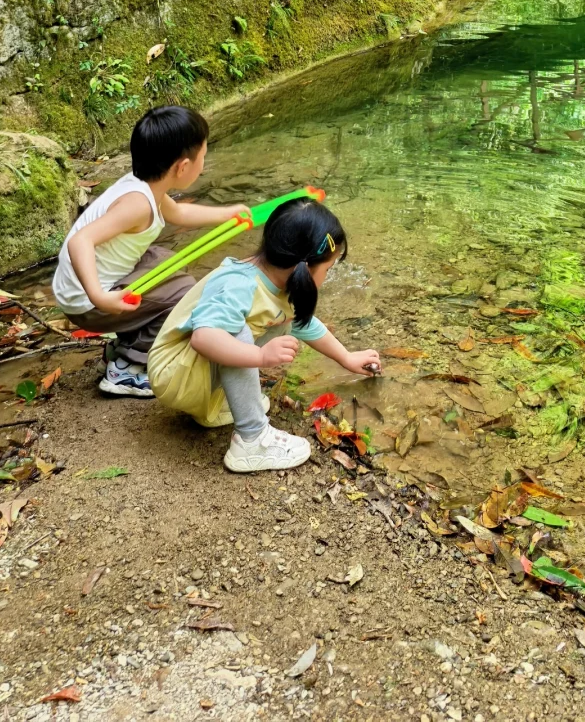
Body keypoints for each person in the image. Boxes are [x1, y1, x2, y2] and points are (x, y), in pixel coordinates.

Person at [147, 196, 380, 472]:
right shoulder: (239, 284)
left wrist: (346, 358)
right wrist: (259, 355)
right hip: (174, 375)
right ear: (305, 267)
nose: (327, 277)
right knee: (234, 332)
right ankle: (252, 440)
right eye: (327, 269)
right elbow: (204, 337)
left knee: (281, 322)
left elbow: (301, 322)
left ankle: (219, 404)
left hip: (191, 374)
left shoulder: (275, 281)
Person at [51, 105, 251, 398]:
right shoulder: (137, 204)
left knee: (166, 261)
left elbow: (178, 213)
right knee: (186, 295)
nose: (203, 166)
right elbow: (80, 241)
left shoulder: (145, 186)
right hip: (88, 302)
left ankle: (125, 343)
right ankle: (129, 367)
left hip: (87, 284)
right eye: (203, 158)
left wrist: (227, 214)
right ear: (182, 167)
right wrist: (99, 298)